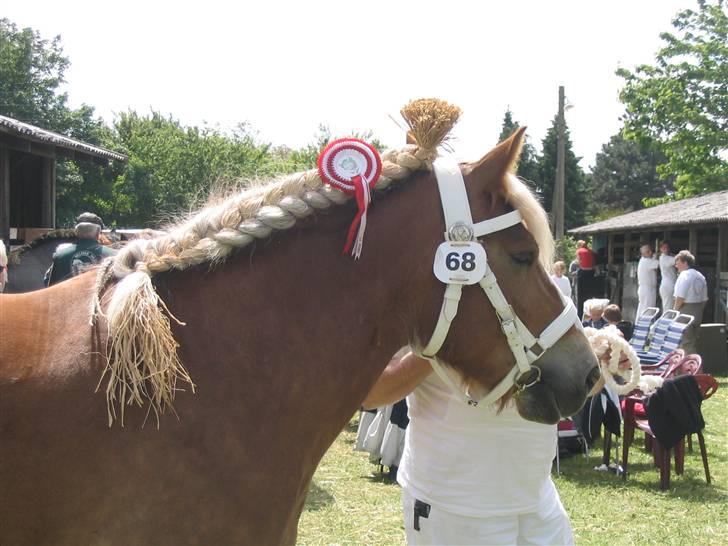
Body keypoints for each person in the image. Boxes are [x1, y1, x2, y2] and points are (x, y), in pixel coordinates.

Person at [363, 351, 575, 545]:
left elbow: (586, 385)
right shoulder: (418, 307)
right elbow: (373, 393)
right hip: (455, 507)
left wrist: (599, 363)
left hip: (538, 499)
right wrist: (437, 344)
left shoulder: (554, 307)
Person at [47, 212, 116, 286]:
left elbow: (50, 287)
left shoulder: (59, 256)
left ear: (76, 232)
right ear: (98, 233)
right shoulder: (115, 256)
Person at [673, 250, 708, 355]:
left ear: (685, 263)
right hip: (698, 310)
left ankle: (692, 369)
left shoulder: (684, 275)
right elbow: (705, 299)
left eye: (677, 262)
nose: (676, 265)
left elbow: (680, 297)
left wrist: (675, 310)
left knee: (685, 343)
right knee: (693, 341)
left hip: (685, 310)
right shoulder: (700, 276)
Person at [636, 244, 659, 320]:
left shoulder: (643, 260)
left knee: (642, 308)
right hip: (647, 289)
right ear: (643, 254)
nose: (650, 253)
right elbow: (658, 264)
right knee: (648, 309)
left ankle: (638, 326)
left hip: (644, 288)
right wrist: (660, 255)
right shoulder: (646, 261)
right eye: (648, 252)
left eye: (650, 251)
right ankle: (645, 327)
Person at [658, 240, 677, 311]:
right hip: (668, 285)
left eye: (667, 247)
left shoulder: (667, 257)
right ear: (660, 249)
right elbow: (678, 259)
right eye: (663, 248)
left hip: (669, 284)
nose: (666, 249)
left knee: (669, 308)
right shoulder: (665, 258)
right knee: (668, 309)